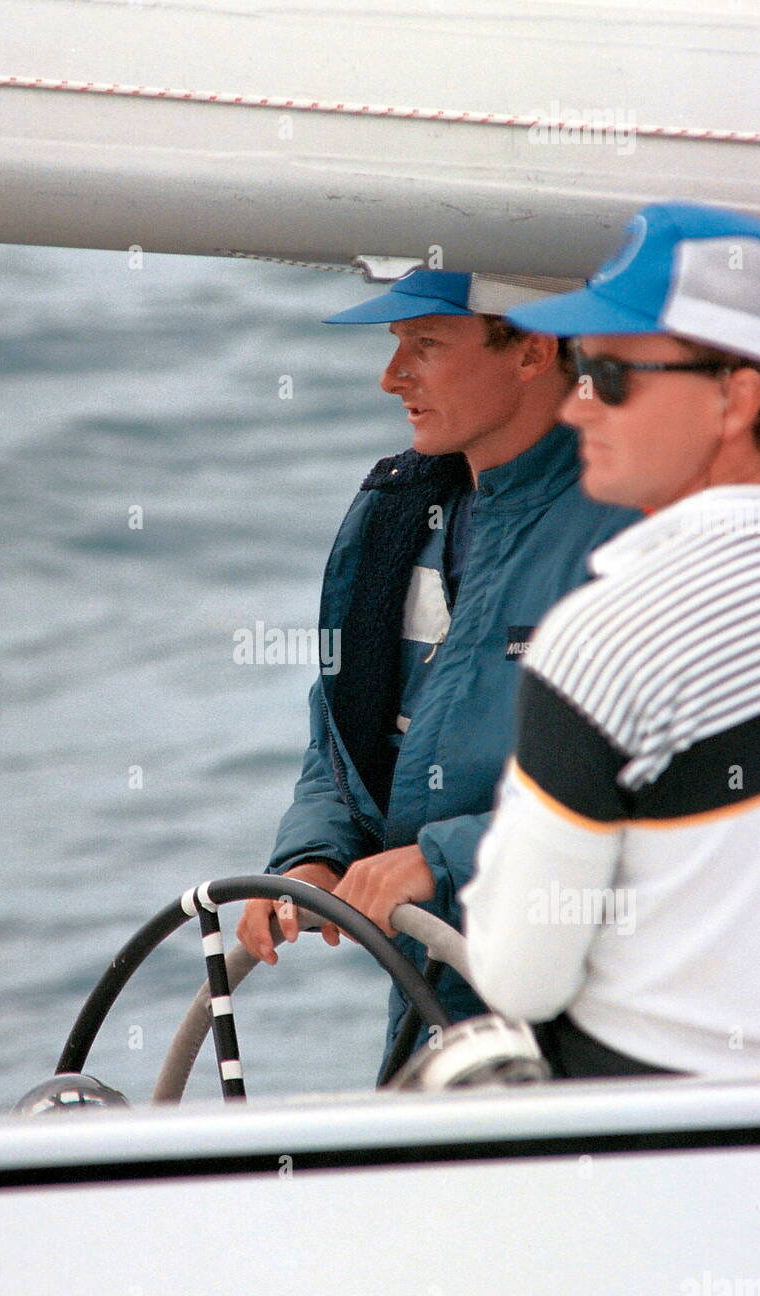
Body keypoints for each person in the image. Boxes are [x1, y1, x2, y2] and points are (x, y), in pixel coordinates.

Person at [235, 267, 640, 1069]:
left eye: (424, 344)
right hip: (438, 1011)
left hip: (603, 1023)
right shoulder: (394, 514)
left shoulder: (634, 532)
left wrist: (438, 860)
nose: (392, 378)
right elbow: (349, 728)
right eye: (397, 347)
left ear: (532, 351)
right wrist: (311, 856)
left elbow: (670, 800)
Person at [461, 201, 760, 1078]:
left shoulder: (608, 640)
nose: (575, 408)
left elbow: (520, 974)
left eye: (612, 375)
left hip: (662, 1146)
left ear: (738, 396)